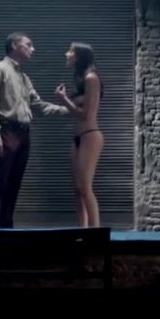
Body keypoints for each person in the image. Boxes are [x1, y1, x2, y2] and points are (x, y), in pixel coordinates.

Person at [0, 32, 68, 229]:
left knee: (15, 180)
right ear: (14, 45)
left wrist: (68, 109)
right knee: (1, 178)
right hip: (7, 130)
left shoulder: (24, 78)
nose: (33, 49)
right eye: (28, 45)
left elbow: (38, 104)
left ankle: (6, 223)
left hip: (23, 132)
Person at [55, 42, 104, 227]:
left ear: (79, 56)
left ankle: (95, 232)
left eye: (70, 51)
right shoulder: (82, 79)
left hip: (90, 135)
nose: (67, 54)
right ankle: (82, 230)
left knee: (84, 186)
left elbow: (86, 114)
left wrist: (64, 99)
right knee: (77, 189)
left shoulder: (91, 78)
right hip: (78, 138)